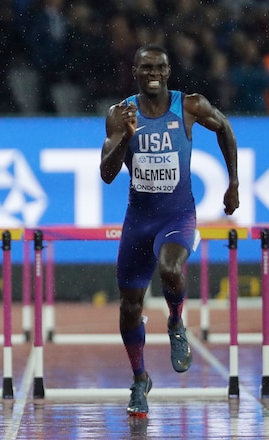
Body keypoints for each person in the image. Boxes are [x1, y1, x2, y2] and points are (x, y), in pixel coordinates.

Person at [100, 44, 239, 417]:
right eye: (146, 68)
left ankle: (176, 322)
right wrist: (127, 139)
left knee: (171, 268)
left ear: (168, 70)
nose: (153, 74)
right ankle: (140, 380)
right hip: (138, 221)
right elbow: (107, 174)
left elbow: (224, 126)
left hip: (177, 217)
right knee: (130, 308)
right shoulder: (120, 114)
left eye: (159, 67)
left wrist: (234, 184)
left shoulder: (189, 105)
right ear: (135, 71)